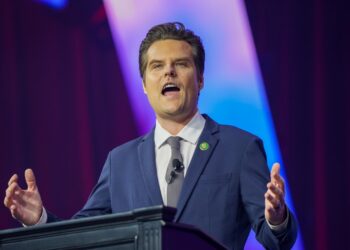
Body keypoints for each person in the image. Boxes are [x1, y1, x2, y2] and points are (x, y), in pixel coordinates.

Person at [4, 22, 297, 249]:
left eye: (181, 64)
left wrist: (277, 218)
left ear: (201, 78)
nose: (169, 72)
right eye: (157, 66)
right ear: (145, 84)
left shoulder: (240, 147)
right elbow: (85, 237)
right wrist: (40, 221)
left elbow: (277, 241)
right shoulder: (120, 161)